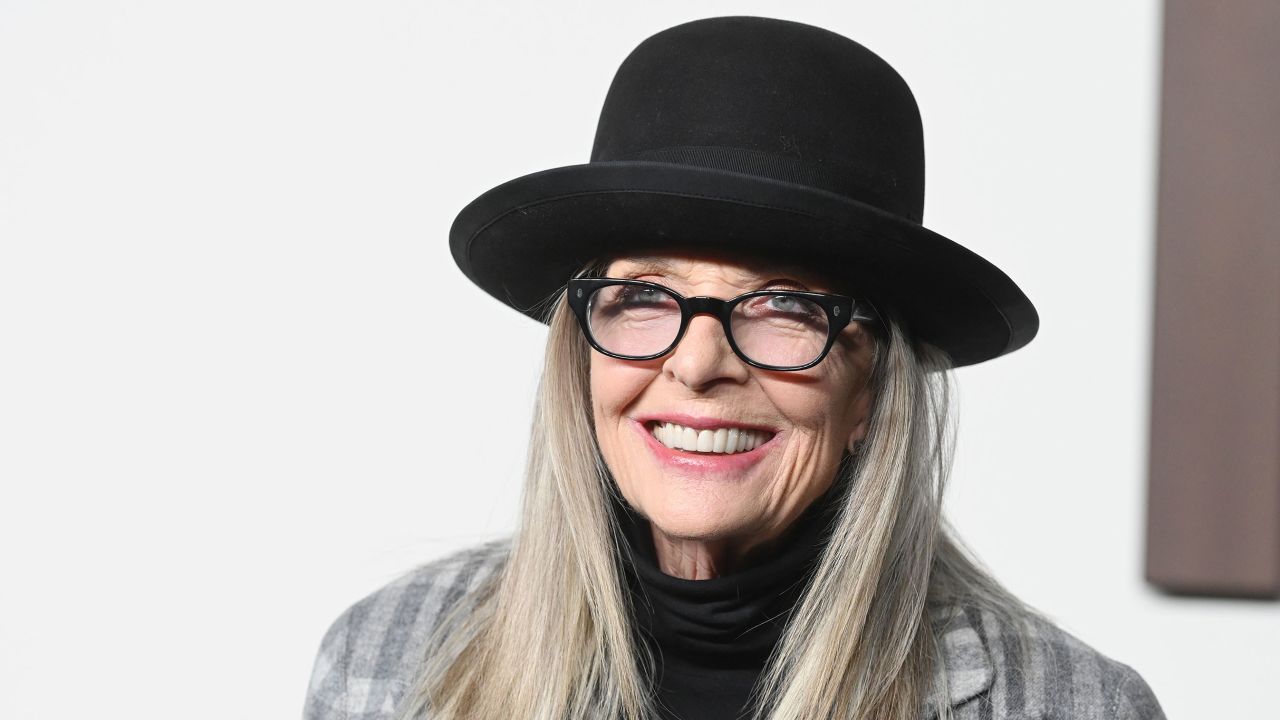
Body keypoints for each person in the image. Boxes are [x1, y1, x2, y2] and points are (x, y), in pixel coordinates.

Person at [303, 15, 1166, 720]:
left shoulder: (1066, 707)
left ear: (871, 386)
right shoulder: (389, 665)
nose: (697, 363)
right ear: (581, 351)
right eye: (643, 295)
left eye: (786, 306)